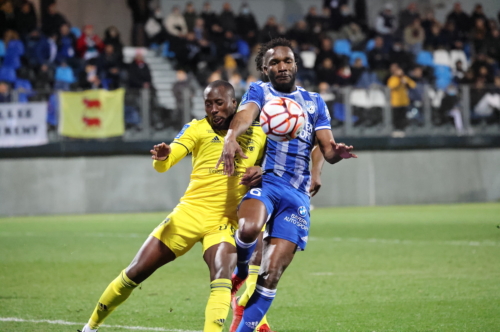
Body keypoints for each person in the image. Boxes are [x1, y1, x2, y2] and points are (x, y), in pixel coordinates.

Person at [78, 81, 267, 332]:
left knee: (222, 277)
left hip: (224, 222)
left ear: (234, 104)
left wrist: (263, 172)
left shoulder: (258, 134)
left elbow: (276, 172)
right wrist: (163, 156)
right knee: (134, 273)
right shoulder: (197, 128)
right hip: (188, 215)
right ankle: (89, 327)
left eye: (219, 103)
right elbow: (166, 162)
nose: (213, 110)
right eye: (208, 104)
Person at [217, 38, 357, 332]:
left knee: (272, 273)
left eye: (287, 61)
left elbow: (326, 148)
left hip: (296, 193)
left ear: (295, 64)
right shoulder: (260, 91)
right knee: (248, 228)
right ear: (265, 70)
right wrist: (230, 137)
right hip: (265, 180)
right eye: (274, 63)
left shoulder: (315, 102)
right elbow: (244, 116)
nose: (282, 67)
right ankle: (241, 271)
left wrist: (336, 154)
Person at [387, 67, 416, 135]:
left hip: (404, 101)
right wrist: (400, 82)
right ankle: (396, 130)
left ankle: (403, 129)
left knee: (403, 116)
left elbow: (413, 85)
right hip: (396, 102)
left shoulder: (405, 78)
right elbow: (391, 86)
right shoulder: (393, 79)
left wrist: (406, 83)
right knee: (396, 117)